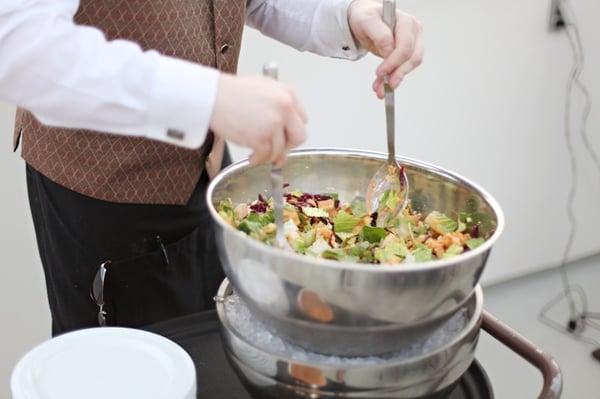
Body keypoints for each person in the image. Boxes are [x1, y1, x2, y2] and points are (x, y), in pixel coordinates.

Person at [0, 0, 423, 336]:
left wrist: (345, 16)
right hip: (102, 193)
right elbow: (16, 44)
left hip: (208, 174)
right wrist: (206, 98)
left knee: (208, 355)